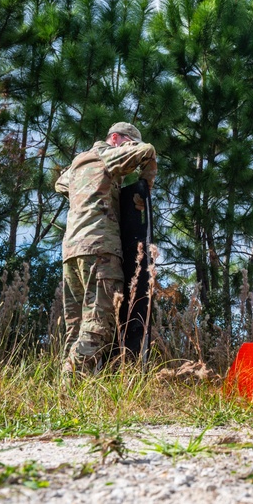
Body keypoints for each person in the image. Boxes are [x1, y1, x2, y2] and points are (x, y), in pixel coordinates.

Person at [55, 122, 157, 376]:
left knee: (76, 327)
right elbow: (147, 151)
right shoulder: (107, 153)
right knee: (99, 324)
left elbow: (60, 184)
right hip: (101, 248)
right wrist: (144, 185)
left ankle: (69, 394)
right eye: (127, 142)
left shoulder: (79, 163)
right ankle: (71, 381)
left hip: (72, 252)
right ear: (115, 138)